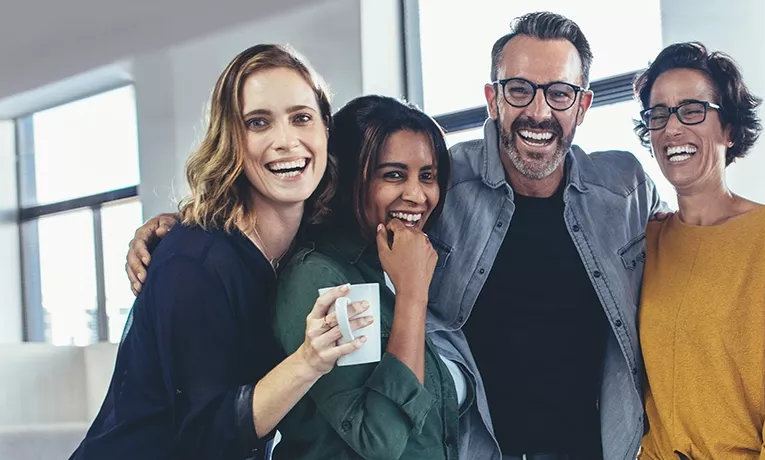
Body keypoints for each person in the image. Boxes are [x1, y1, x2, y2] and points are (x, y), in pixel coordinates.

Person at [125, 11, 663, 460]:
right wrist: (183, 227)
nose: (539, 110)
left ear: (584, 104)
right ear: (493, 98)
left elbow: (686, 234)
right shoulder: (445, 190)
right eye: (519, 89)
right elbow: (314, 186)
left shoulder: (624, 187)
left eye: (561, 92)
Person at [76, 44, 370, 459]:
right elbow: (205, 436)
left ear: (325, 128)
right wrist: (308, 361)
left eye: (301, 117)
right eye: (258, 122)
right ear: (231, 140)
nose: (286, 141)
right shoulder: (192, 262)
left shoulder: (311, 240)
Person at [630, 42, 765, 459]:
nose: (672, 128)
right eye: (659, 114)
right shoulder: (647, 241)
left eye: (692, 110)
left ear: (729, 130)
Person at [270, 95, 466, 459]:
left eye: (428, 176)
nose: (416, 194)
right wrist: (411, 295)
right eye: (393, 174)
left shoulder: (400, 261)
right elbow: (379, 438)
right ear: (347, 179)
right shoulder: (322, 276)